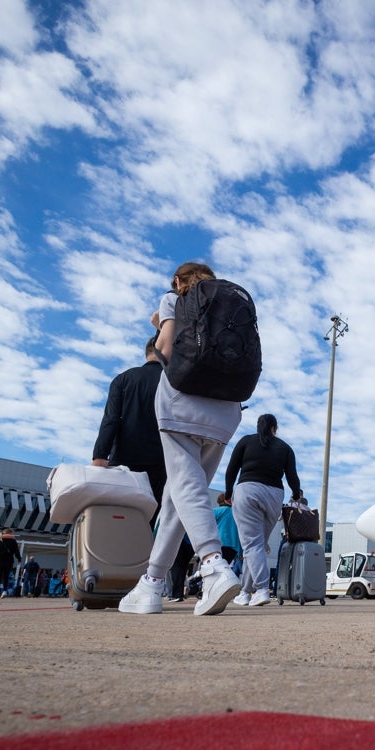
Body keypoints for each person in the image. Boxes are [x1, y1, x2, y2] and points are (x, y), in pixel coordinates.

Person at [117, 262, 243, 617]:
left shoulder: (175, 298)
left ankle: (213, 564)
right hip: (225, 412)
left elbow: (167, 349)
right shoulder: (226, 307)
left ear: (178, 280)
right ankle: (152, 583)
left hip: (183, 405)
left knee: (186, 487)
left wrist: (159, 327)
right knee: (178, 494)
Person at [222, 414, 302, 607]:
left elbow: (231, 469)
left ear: (259, 427)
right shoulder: (285, 448)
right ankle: (244, 592)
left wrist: (228, 492)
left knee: (252, 545)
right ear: (275, 428)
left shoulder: (246, 441)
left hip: (248, 490)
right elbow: (293, 477)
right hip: (274, 496)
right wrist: (297, 494)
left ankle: (261, 589)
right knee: (257, 546)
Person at [92, 335, 167, 520]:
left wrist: (100, 455)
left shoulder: (123, 379)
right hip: (162, 462)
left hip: (124, 460)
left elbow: (111, 419)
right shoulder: (172, 382)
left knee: (118, 516)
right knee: (150, 519)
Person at [0, 528, 21, 600]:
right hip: (8, 562)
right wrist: (19, 559)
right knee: (6, 577)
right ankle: (4, 591)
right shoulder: (13, 542)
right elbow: (16, 551)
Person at [214, 493, 243, 575]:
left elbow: (205, 521)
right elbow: (241, 533)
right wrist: (241, 551)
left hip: (218, 544)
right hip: (233, 548)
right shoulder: (238, 515)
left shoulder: (218, 511)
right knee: (223, 571)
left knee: (213, 570)